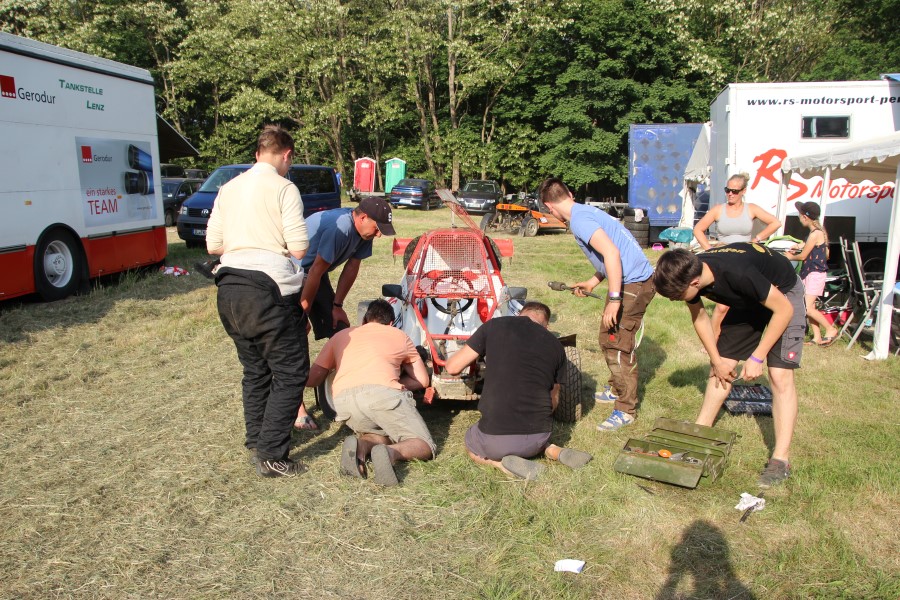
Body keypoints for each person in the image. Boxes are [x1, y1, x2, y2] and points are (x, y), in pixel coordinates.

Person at [652, 244, 806, 488]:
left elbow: (784, 310)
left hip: (783, 294)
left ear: (695, 283)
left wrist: (757, 357)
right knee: (721, 365)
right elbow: (700, 317)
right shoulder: (689, 270)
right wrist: (716, 360)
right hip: (748, 297)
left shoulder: (738, 273)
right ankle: (699, 432)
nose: (675, 300)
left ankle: (780, 460)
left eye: (677, 296)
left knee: (779, 375)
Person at [206, 125, 310, 478]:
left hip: (228, 287)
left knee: (255, 369)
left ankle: (256, 439)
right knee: (291, 371)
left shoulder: (228, 188)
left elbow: (213, 245)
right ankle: (272, 456)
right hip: (267, 289)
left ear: (257, 153)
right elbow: (299, 248)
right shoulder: (284, 188)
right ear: (286, 155)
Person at [538, 177, 656, 431]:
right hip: (633, 281)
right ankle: (617, 388)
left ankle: (625, 409)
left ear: (549, 206)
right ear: (570, 193)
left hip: (633, 284)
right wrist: (593, 281)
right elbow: (609, 255)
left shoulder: (579, 221)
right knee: (608, 336)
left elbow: (612, 253)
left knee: (616, 344)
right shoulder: (585, 212)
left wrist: (614, 299)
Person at [445, 302, 592, 479]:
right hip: (539, 437)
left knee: (471, 444)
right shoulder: (556, 345)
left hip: (494, 441)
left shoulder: (493, 326)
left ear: (519, 314)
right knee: (529, 436)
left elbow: (453, 367)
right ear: (546, 326)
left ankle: (500, 464)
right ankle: (552, 450)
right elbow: (554, 401)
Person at [292, 196, 396, 430]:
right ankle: (298, 409)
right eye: (377, 228)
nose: (378, 234)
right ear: (363, 218)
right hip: (295, 274)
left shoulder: (364, 232)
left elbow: (352, 266)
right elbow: (314, 271)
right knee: (296, 338)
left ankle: (345, 390)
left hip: (316, 274)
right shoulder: (339, 228)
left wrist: (336, 307)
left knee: (339, 330)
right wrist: (302, 314)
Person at [305, 299, 434, 486]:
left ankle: (361, 447)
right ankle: (390, 453)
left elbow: (312, 379)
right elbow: (422, 380)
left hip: (344, 402)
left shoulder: (341, 336)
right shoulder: (399, 335)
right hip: (382, 395)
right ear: (391, 323)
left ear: (364, 320)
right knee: (423, 443)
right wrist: (396, 383)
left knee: (380, 433)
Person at [693, 173, 782, 339]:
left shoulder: (751, 208)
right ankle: (713, 338)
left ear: (743, 191)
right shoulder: (718, 210)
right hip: (723, 259)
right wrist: (709, 250)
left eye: (734, 191)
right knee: (722, 306)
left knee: (746, 299)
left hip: (745, 259)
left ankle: (740, 334)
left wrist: (757, 239)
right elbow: (698, 229)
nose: (730, 194)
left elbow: (775, 223)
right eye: (727, 190)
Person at [792, 201, 839, 346]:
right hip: (810, 274)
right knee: (810, 307)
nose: (798, 217)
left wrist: (789, 256)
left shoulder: (815, 234)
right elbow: (810, 246)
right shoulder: (816, 232)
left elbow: (802, 256)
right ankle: (817, 337)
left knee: (807, 307)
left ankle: (830, 329)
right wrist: (799, 245)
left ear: (805, 217)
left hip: (815, 275)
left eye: (800, 214)